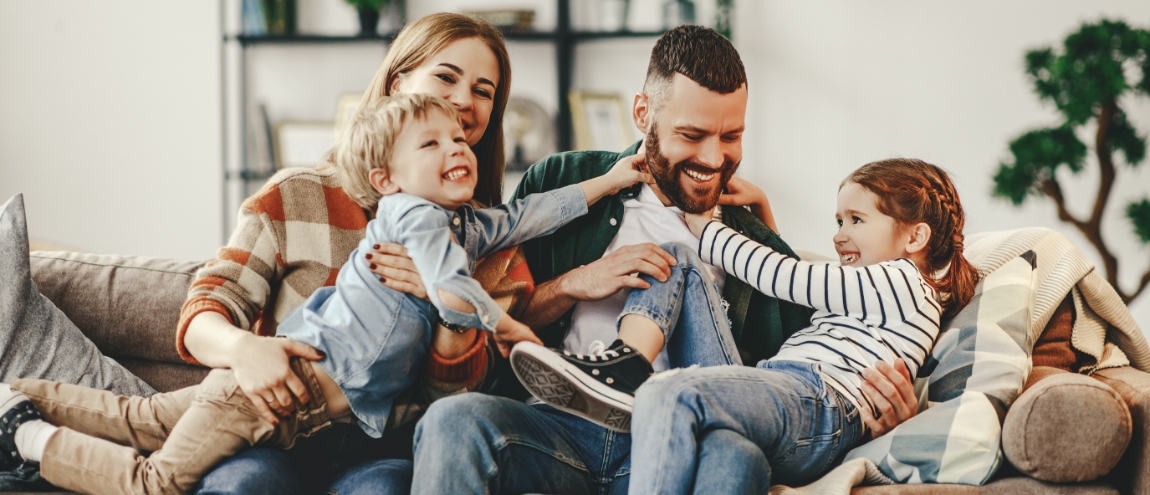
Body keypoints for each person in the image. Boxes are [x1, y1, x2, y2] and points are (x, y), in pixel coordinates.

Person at [0, 93, 652, 495]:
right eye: (434, 141)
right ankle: (29, 439)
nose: (459, 146)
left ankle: (18, 395)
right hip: (277, 389)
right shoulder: (412, 219)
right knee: (157, 481)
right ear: (386, 179)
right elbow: (452, 291)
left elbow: (527, 215)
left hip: (299, 412)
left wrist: (607, 180)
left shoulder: (458, 224)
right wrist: (512, 331)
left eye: (462, 138)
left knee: (137, 420)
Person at [406, 25, 923, 495]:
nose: (714, 159)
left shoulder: (750, 238)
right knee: (452, 422)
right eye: (692, 135)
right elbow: (494, 325)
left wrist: (882, 409)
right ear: (642, 113)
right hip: (557, 426)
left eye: (731, 136)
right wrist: (573, 284)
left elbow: (801, 373)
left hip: (679, 436)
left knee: (737, 458)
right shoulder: (565, 181)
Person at [175, 13, 521, 495]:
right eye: (446, 76)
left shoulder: (486, 242)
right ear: (398, 83)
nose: (464, 99)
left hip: (383, 451)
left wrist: (445, 300)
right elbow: (205, 312)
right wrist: (244, 349)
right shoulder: (295, 195)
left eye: (484, 91)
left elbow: (453, 402)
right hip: (273, 434)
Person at [624, 158, 980, 494]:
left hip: (821, 403)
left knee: (667, 392)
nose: (839, 236)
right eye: (839, 221)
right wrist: (761, 205)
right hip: (793, 397)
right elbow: (795, 293)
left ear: (914, 238)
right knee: (728, 452)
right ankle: (624, 359)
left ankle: (622, 375)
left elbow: (785, 277)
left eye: (856, 219)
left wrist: (705, 227)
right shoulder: (875, 294)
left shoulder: (903, 281)